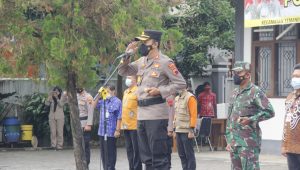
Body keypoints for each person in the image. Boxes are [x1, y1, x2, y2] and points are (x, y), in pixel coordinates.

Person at [118, 30, 186, 170]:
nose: (142, 45)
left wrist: (160, 91)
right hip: (141, 115)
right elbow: (123, 71)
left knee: (159, 159)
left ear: (155, 44)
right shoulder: (141, 61)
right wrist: (127, 55)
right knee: (147, 159)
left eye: (145, 42)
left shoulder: (165, 62)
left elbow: (181, 83)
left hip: (157, 115)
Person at [225, 61, 275, 170]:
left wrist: (251, 119)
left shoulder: (255, 91)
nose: (236, 76)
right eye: (234, 73)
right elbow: (230, 118)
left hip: (248, 143)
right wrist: (229, 139)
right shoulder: (234, 92)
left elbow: (270, 112)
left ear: (247, 75)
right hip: (234, 143)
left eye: (239, 72)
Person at [96, 84, 122, 170]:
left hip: (111, 132)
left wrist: (117, 130)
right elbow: (94, 105)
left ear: (113, 91)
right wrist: (98, 95)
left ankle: (111, 168)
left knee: (110, 153)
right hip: (102, 132)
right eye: (105, 91)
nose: (106, 93)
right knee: (103, 153)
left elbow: (119, 117)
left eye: (107, 91)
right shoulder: (103, 100)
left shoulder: (117, 101)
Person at [120, 76, 142, 170]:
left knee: (136, 149)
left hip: (134, 125)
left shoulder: (138, 91)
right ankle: (131, 167)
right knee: (129, 149)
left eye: (129, 77)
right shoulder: (125, 92)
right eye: (127, 77)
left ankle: (137, 168)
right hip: (126, 125)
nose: (127, 79)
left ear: (135, 79)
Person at [281, 64, 300, 170]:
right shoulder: (290, 97)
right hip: (292, 147)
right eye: (294, 76)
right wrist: (284, 145)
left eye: (298, 76)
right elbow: (286, 122)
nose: (294, 79)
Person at [174, 87, 197, 170]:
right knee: (181, 154)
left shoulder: (190, 97)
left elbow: (193, 115)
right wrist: (174, 130)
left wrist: (191, 130)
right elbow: (175, 115)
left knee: (189, 154)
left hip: (187, 131)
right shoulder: (176, 98)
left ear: (185, 87)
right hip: (178, 130)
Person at [76, 87, 94, 167]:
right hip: (77, 124)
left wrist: (89, 124)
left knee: (85, 145)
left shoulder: (88, 97)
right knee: (78, 145)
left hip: (85, 124)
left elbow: (91, 110)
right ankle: (80, 164)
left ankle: (86, 164)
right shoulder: (75, 96)